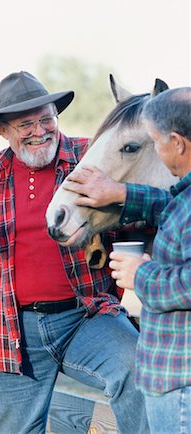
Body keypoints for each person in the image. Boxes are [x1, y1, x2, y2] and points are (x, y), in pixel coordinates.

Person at [0, 71, 149, 434]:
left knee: (138, 367)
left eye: (46, 118)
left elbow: (140, 194)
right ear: (4, 131)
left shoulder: (89, 156)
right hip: (13, 328)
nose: (40, 130)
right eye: (25, 123)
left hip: (87, 315)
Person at [64, 87, 191, 433]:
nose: (157, 149)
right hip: (169, 375)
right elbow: (172, 205)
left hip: (182, 383)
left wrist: (143, 274)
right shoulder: (185, 195)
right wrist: (120, 193)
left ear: (177, 143)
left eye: (155, 141)